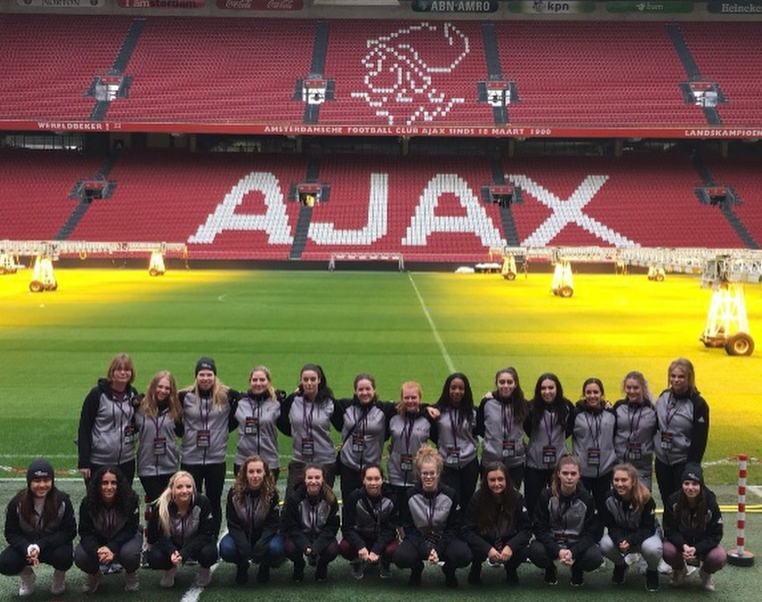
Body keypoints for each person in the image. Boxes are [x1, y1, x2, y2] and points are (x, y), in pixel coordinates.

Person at [394, 446, 472, 588]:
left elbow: (454, 528)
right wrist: (426, 549)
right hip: (418, 538)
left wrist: (439, 548)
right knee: (401, 557)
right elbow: (409, 529)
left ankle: (449, 570)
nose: (428, 477)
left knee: (464, 555)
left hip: (443, 538)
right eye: (425, 473)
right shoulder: (409, 495)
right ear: (419, 473)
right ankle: (416, 569)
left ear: (438, 473)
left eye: (432, 473)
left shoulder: (451, 494)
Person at [179, 357, 240, 530]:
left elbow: (234, 419)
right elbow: (175, 421)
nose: (205, 378)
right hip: (191, 459)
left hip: (216, 459)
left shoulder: (226, 396)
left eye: (209, 374)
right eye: (202, 374)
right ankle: (191, 535)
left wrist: (221, 433)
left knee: (214, 500)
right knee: (191, 500)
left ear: (215, 376)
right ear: (196, 376)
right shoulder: (185, 396)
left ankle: (211, 537)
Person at [0, 459, 76, 597]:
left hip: (51, 546)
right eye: (37, 481)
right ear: (29, 482)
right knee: (5, 562)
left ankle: (59, 577)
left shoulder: (62, 501)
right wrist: (27, 547)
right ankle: (27, 576)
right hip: (27, 548)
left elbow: (69, 531)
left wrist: (40, 545)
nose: (42, 485)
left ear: (52, 481)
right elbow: (11, 533)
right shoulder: (17, 503)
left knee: (64, 556)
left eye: (46, 480)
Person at [529, 455, 602, 587]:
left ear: (579, 475)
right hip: (553, 541)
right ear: (558, 474)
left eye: (573, 473)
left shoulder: (587, 499)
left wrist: (573, 552)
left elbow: (592, 533)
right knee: (535, 551)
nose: (569, 477)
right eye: (565, 473)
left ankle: (577, 569)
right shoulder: (546, 496)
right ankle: (550, 569)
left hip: (576, 543)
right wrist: (557, 550)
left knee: (595, 557)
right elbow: (539, 529)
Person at [74, 465, 142, 593]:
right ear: (98, 484)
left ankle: (130, 573)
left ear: (119, 484)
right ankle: (95, 574)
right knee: (81, 556)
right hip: (99, 542)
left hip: (123, 540)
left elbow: (131, 529)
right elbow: (85, 532)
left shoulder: (130, 501)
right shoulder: (87, 503)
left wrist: (112, 547)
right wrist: (97, 550)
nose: (109, 487)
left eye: (113, 483)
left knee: (130, 554)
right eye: (104, 483)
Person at [462, 461, 531, 585]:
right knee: (470, 549)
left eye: (500, 479)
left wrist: (511, 546)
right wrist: (487, 548)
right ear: (486, 481)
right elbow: (466, 530)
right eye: (492, 480)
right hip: (485, 539)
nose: (497, 484)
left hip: (507, 539)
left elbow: (526, 529)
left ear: (507, 480)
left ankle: (511, 569)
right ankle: (476, 567)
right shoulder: (477, 499)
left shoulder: (517, 498)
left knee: (523, 550)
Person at [146, 471, 217, 588]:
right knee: (155, 557)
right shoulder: (162, 506)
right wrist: (171, 551)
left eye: (188, 486)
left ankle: (205, 570)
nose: (184, 491)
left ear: (193, 488)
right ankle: (169, 569)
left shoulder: (203, 502)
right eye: (179, 487)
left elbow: (206, 534)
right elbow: (159, 536)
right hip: (173, 543)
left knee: (209, 553)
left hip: (195, 542)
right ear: (172, 489)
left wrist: (185, 553)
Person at [219, 455, 284, 585]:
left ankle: (264, 566)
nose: (255, 476)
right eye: (251, 471)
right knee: (226, 549)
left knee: (277, 548)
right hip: (242, 533)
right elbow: (233, 523)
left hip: (263, 535)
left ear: (265, 473)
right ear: (245, 473)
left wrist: (261, 544)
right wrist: (243, 545)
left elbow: (272, 524)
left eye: (259, 471)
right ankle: (242, 566)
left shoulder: (272, 494)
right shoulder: (234, 493)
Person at [333, 373, 396, 504]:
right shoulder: (345, 406)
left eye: (368, 389)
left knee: (371, 504)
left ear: (374, 390)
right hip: (348, 466)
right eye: (360, 389)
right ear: (355, 391)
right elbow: (323, 399)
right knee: (349, 504)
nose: (364, 392)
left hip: (371, 468)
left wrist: (426, 409)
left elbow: (408, 404)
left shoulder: (385, 409)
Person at [78, 353, 140, 485]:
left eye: (127, 370)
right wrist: (84, 462)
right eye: (119, 370)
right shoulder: (97, 394)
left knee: (124, 501)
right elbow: (84, 427)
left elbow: (136, 423)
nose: (123, 373)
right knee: (97, 502)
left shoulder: (133, 393)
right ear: (112, 372)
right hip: (99, 460)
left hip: (126, 460)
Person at [598, 463, 662, 591]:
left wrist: (630, 540)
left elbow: (648, 529)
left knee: (653, 549)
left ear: (633, 481)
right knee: (604, 544)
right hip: (622, 535)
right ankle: (621, 565)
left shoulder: (645, 499)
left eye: (624, 480)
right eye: (616, 480)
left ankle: (652, 571)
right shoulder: (608, 499)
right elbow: (611, 526)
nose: (619, 484)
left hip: (646, 536)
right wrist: (620, 540)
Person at [654, 358, 710, 504]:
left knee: (683, 504)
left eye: (681, 377)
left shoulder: (698, 404)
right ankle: (669, 528)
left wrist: (691, 467)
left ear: (689, 378)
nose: (676, 380)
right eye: (673, 376)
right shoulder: (663, 397)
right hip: (662, 461)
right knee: (667, 502)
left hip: (682, 463)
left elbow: (699, 440)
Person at [662, 463, 726, 591]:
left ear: (701, 485)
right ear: (681, 485)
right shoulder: (673, 501)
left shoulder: (711, 503)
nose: (690, 488)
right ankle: (679, 570)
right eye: (686, 483)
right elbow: (669, 529)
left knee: (719, 557)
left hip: (702, 546)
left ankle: (706, 573)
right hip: (682, 546)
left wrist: (696, 549)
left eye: (695, 484)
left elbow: (716, 535)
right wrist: (684, 545)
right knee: (666, 549)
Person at [278, 364, 337, 496]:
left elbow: (342, 424)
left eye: (312, 379)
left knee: (323, 503)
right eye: (305, 380)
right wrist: (293, 432)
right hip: (300, 460)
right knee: (292, 501)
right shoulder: (293, 400)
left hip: (325, 461)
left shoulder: (328, 402)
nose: (309, 383)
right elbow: (281, 420)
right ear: (301, 381)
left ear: (319, 380)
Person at [524, 373, 574, 515]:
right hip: (535, 463)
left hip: (558, 464)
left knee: (559, 500)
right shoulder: (531, 407)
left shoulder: (567, 407)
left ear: (557, 389)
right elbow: (527, 428)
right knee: (533, 501)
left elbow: (569, 429)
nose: (547, 392)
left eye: (551, 388)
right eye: (543, 388)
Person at [281, 463, 340, 582]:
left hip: (321, 535)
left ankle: (322, 566)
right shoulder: (294, 498)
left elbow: (331, 528)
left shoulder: (330, 499)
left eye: (317, 478)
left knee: (332, 550)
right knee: (289, 548)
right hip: (301, 534)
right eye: (310, 478)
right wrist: (305, 545)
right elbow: (291, 527)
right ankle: (299, 565)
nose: (313, 481)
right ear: (304, 479)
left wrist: (317, 546)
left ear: (323, 479)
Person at [339, 464, 399, 580]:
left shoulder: (392, 498)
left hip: (382, 537)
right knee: (344, 547)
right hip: (362, 536)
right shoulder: (354, 497)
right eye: (369, 479)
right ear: (363, 480)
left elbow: (390, 530)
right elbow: (347, 528)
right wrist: (360, 546)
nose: (373, 483)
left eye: (377, 479)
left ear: (383, 480)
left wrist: (377, 549)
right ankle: (357, 561)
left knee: (394, 551)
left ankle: (384, 561)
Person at [476, 367, 529, 489]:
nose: (506, 386)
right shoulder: (487, 403)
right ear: (496, 383)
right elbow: (480, 428)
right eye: (502, 382)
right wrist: (494, 443)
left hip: (515, 462)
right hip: (490, 461)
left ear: (516, 384)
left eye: (509, 382)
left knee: (512, 498)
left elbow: (529, 428)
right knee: (489, 496)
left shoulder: (523, 404)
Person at [434, 373, 479, 514]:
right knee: (450, 501)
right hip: (446, 464)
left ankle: (466, 531)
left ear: (466, 391)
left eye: (461, 388)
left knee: (467, 500)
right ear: (447, 389)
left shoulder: (473, 412)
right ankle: (451, 532)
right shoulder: (437, 411)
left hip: (469, 463)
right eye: (453, 388)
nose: (457, 392)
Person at [135, 370, 182, 504]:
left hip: (169, 466)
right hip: (147, 467)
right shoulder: (140, 407)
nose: (163, 391)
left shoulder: (176, 409)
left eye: (167, 388)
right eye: (160, 386)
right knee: (157, 504)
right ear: (153, 386)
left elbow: (181, 431)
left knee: (169, 504)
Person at [572, 378, 617, 511]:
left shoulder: (611, 413)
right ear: (583, 394)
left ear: (602, 394)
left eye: (596, 392)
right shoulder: (576, 414)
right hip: (582, 471)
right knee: (582, 509)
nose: (592, 396)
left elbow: (615, 436)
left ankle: (600, 532)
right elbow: (566, 433)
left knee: (603, 509)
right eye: (588, 392)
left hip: (605, 470)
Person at [387, 381, 437, 497]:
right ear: (401, 398)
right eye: (406, 398)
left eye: (414, 397)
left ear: (420, 398)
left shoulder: (428, 417)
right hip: (396, 472)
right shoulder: (392, 415)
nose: (410, 401)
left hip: (418, 473)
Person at [232, 366, 283, 479]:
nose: (258, 383)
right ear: (250, 382)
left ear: (269, 382)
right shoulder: (240, 401)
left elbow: (286, 427)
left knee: (268, 496)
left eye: (262, 380)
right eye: (254, 380)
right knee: (242, 495)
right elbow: (228, 425)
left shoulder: (277, 401)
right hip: (243, 460)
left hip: (269, 461)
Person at [612, 371, 657, 490]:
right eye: (628, 387)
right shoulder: (618, 407)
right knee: (620, 502)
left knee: (642, 501)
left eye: (636, 388)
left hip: (642, 467)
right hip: (620, 465)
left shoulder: (653, 410)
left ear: (643, 388)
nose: (632, 391)